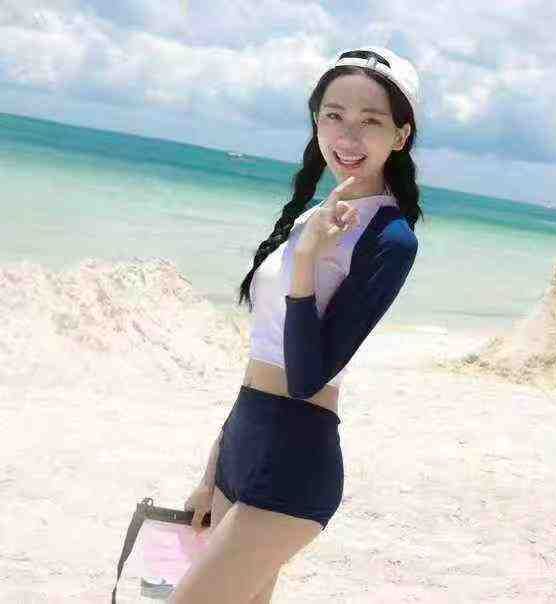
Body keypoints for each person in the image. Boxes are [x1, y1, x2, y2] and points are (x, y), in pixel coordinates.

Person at [167, 46, 424, 604]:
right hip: (243, 442)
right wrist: (211, 470)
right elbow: (260, 356)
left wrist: (306, 260)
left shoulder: (390, 239)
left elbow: (307, 377)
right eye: (334, 115)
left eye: (370, 121)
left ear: (400, 136)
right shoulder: (311, 217)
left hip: (293, 460)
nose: (347, 136)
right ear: (316, 122)